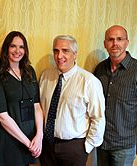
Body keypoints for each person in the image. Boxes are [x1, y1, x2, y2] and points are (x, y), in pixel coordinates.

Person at [94, 25, 137, 166]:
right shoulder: (99, 70)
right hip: (101, 142)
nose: (115, 43)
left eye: (119, 39)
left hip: (124, 146)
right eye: (110, 40)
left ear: (127, 42)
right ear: (105, 44)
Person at [39, 35, 106, 166]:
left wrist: (86, 147)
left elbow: (98, 118)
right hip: (47, 145)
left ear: (75, 54)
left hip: (74, 148)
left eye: (65, 51)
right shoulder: (45, 76)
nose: (59, 56)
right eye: (56, 51)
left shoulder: (89, 81)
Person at [0, 31, 43, 166]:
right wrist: (27, 143)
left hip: (31, 137)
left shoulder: (30, 71)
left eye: (21, 47)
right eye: (13, 46)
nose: (17, 51)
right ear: (6, 48)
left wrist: (39, 136)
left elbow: (36, 106)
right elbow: (2, 116)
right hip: (9, 140)